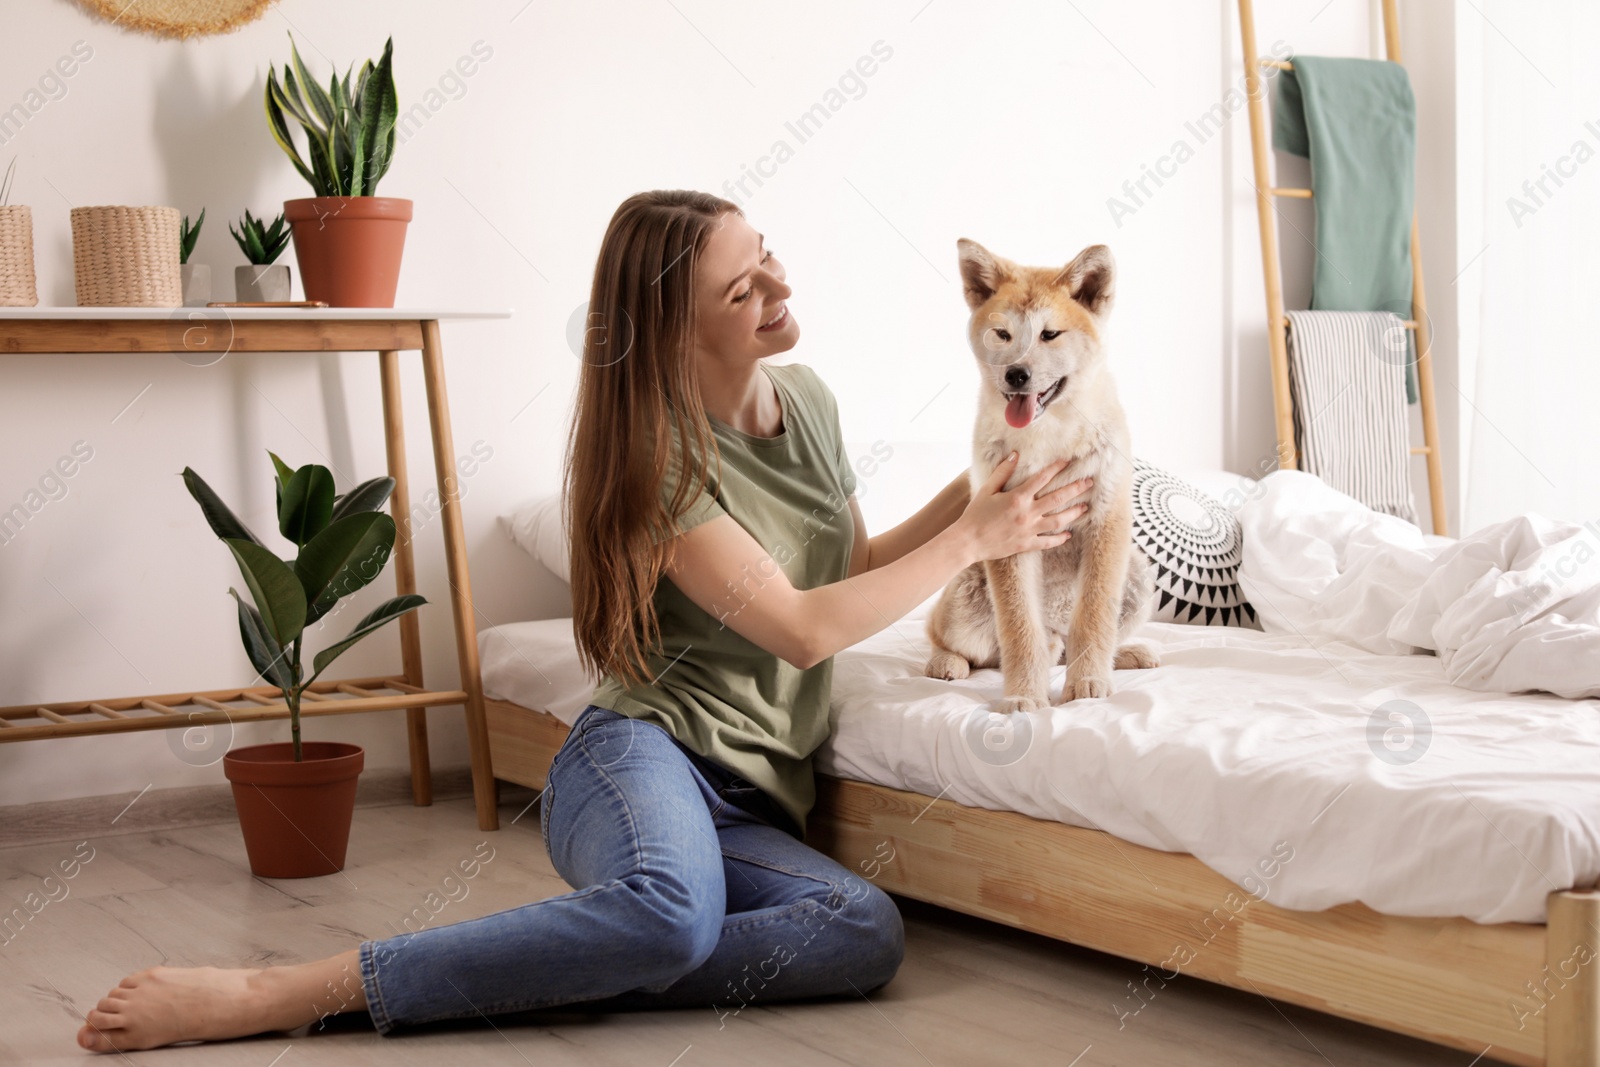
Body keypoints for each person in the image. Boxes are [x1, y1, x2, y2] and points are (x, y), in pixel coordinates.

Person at [74, 190, 1090, 1052]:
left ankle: (559, 959)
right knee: (668, 911)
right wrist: (972, 541)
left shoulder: (808, 402)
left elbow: (854, 568)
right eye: (744, 290)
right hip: (640, 757)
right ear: (675, 329)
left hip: (750, 801)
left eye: (767, 258)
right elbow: (802, 629)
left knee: (858, 930)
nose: (779, 288)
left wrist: (981, 492)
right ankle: (285, 992)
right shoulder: (661, 462)